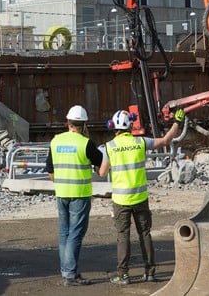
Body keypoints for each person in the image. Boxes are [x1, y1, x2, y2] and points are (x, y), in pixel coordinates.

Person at [99, 108, 185, 285]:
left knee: (123, 236)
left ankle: (123, 275)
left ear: (113, 127)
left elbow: (102, 173)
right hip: (140, 198)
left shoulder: (110, 147)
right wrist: (177, 122)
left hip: (121, 200)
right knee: (145, 234)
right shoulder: (140, 142)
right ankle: (150, 272)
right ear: (131, 126)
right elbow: (166, 140)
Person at [45, 105, 109, 286]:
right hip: (79, 194)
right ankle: (70, 274)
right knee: (76, 234)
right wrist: (108, 154)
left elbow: (50, 172)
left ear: (68, 122)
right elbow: (102, 170)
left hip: (62, 193)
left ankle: (66, 272)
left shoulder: (55, 141)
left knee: (64, 233)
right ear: (84, 124)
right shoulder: (85, 143)